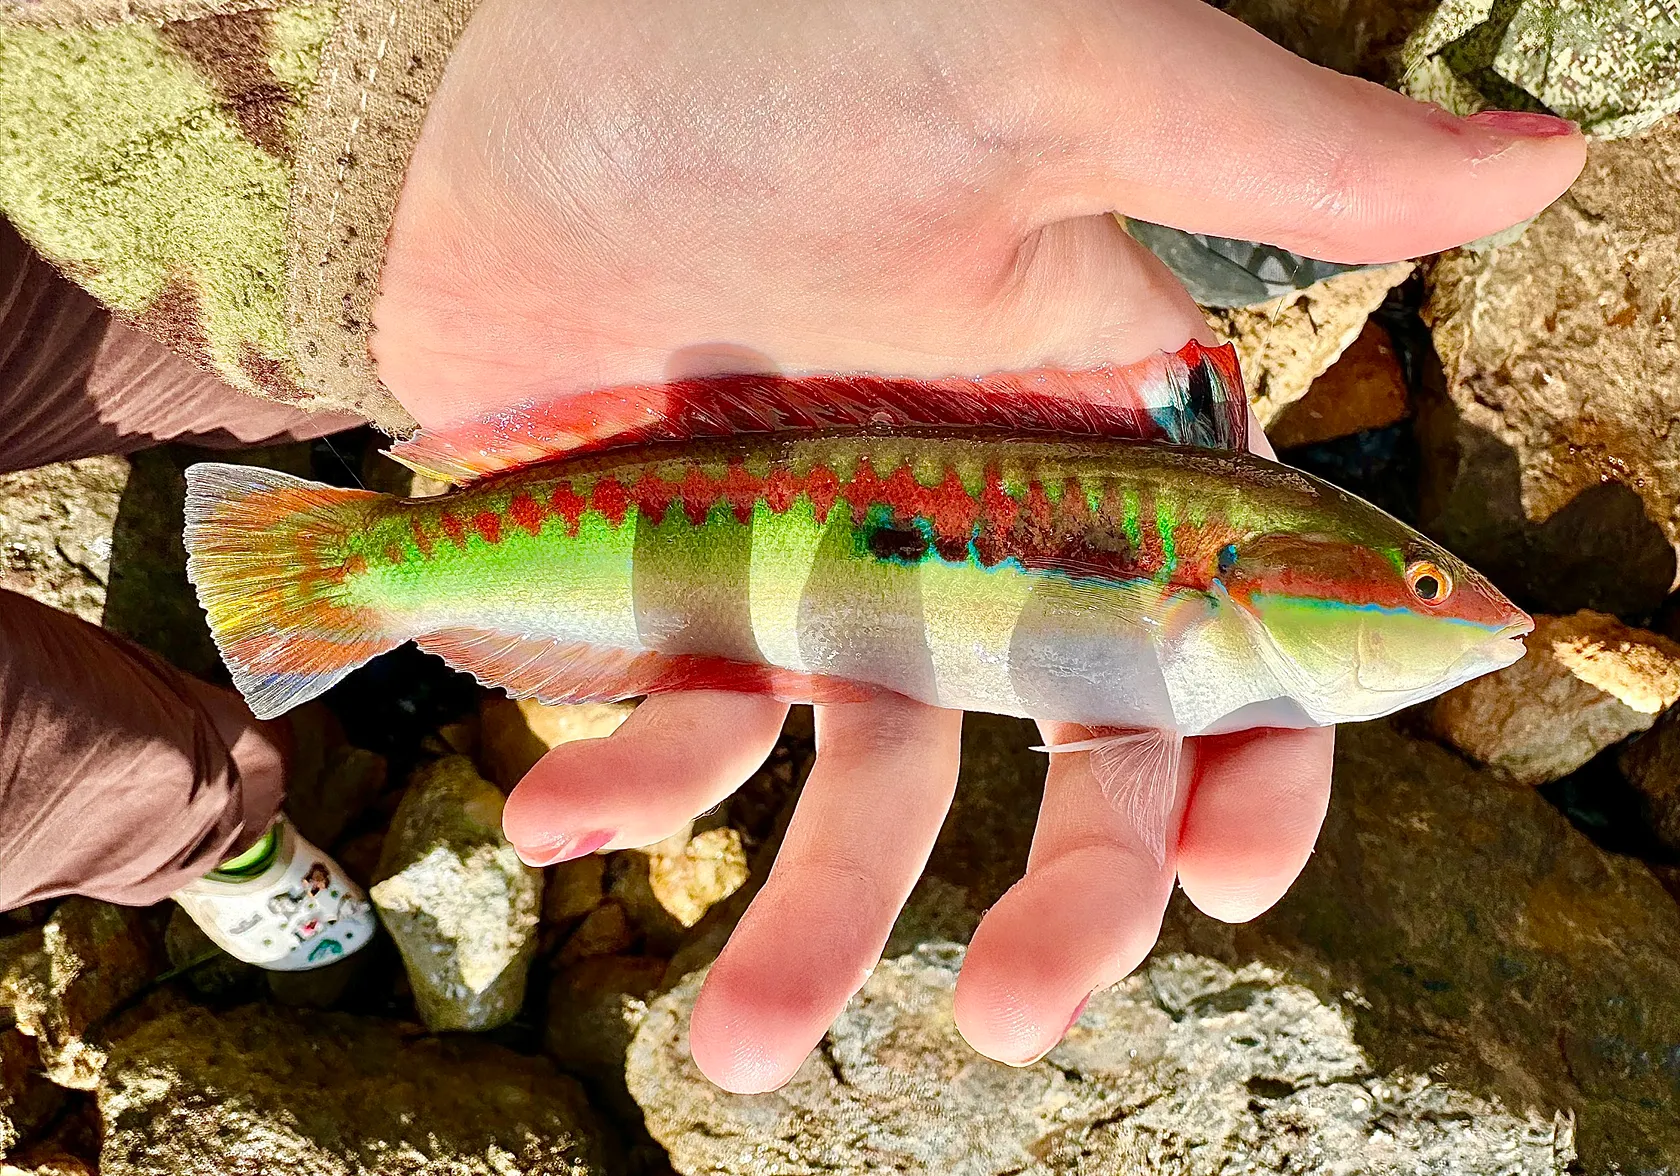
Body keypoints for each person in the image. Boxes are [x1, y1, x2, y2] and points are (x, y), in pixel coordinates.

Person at [0, 0, 1583, 1089]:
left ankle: (203, 825)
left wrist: (386, 109)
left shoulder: (1216, 562)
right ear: (1249, 581)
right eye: (1428, 581)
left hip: (98, 175)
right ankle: (234, 770)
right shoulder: (1207, 537)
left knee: (80, 757)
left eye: (1436, 578)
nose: (1465, 608)